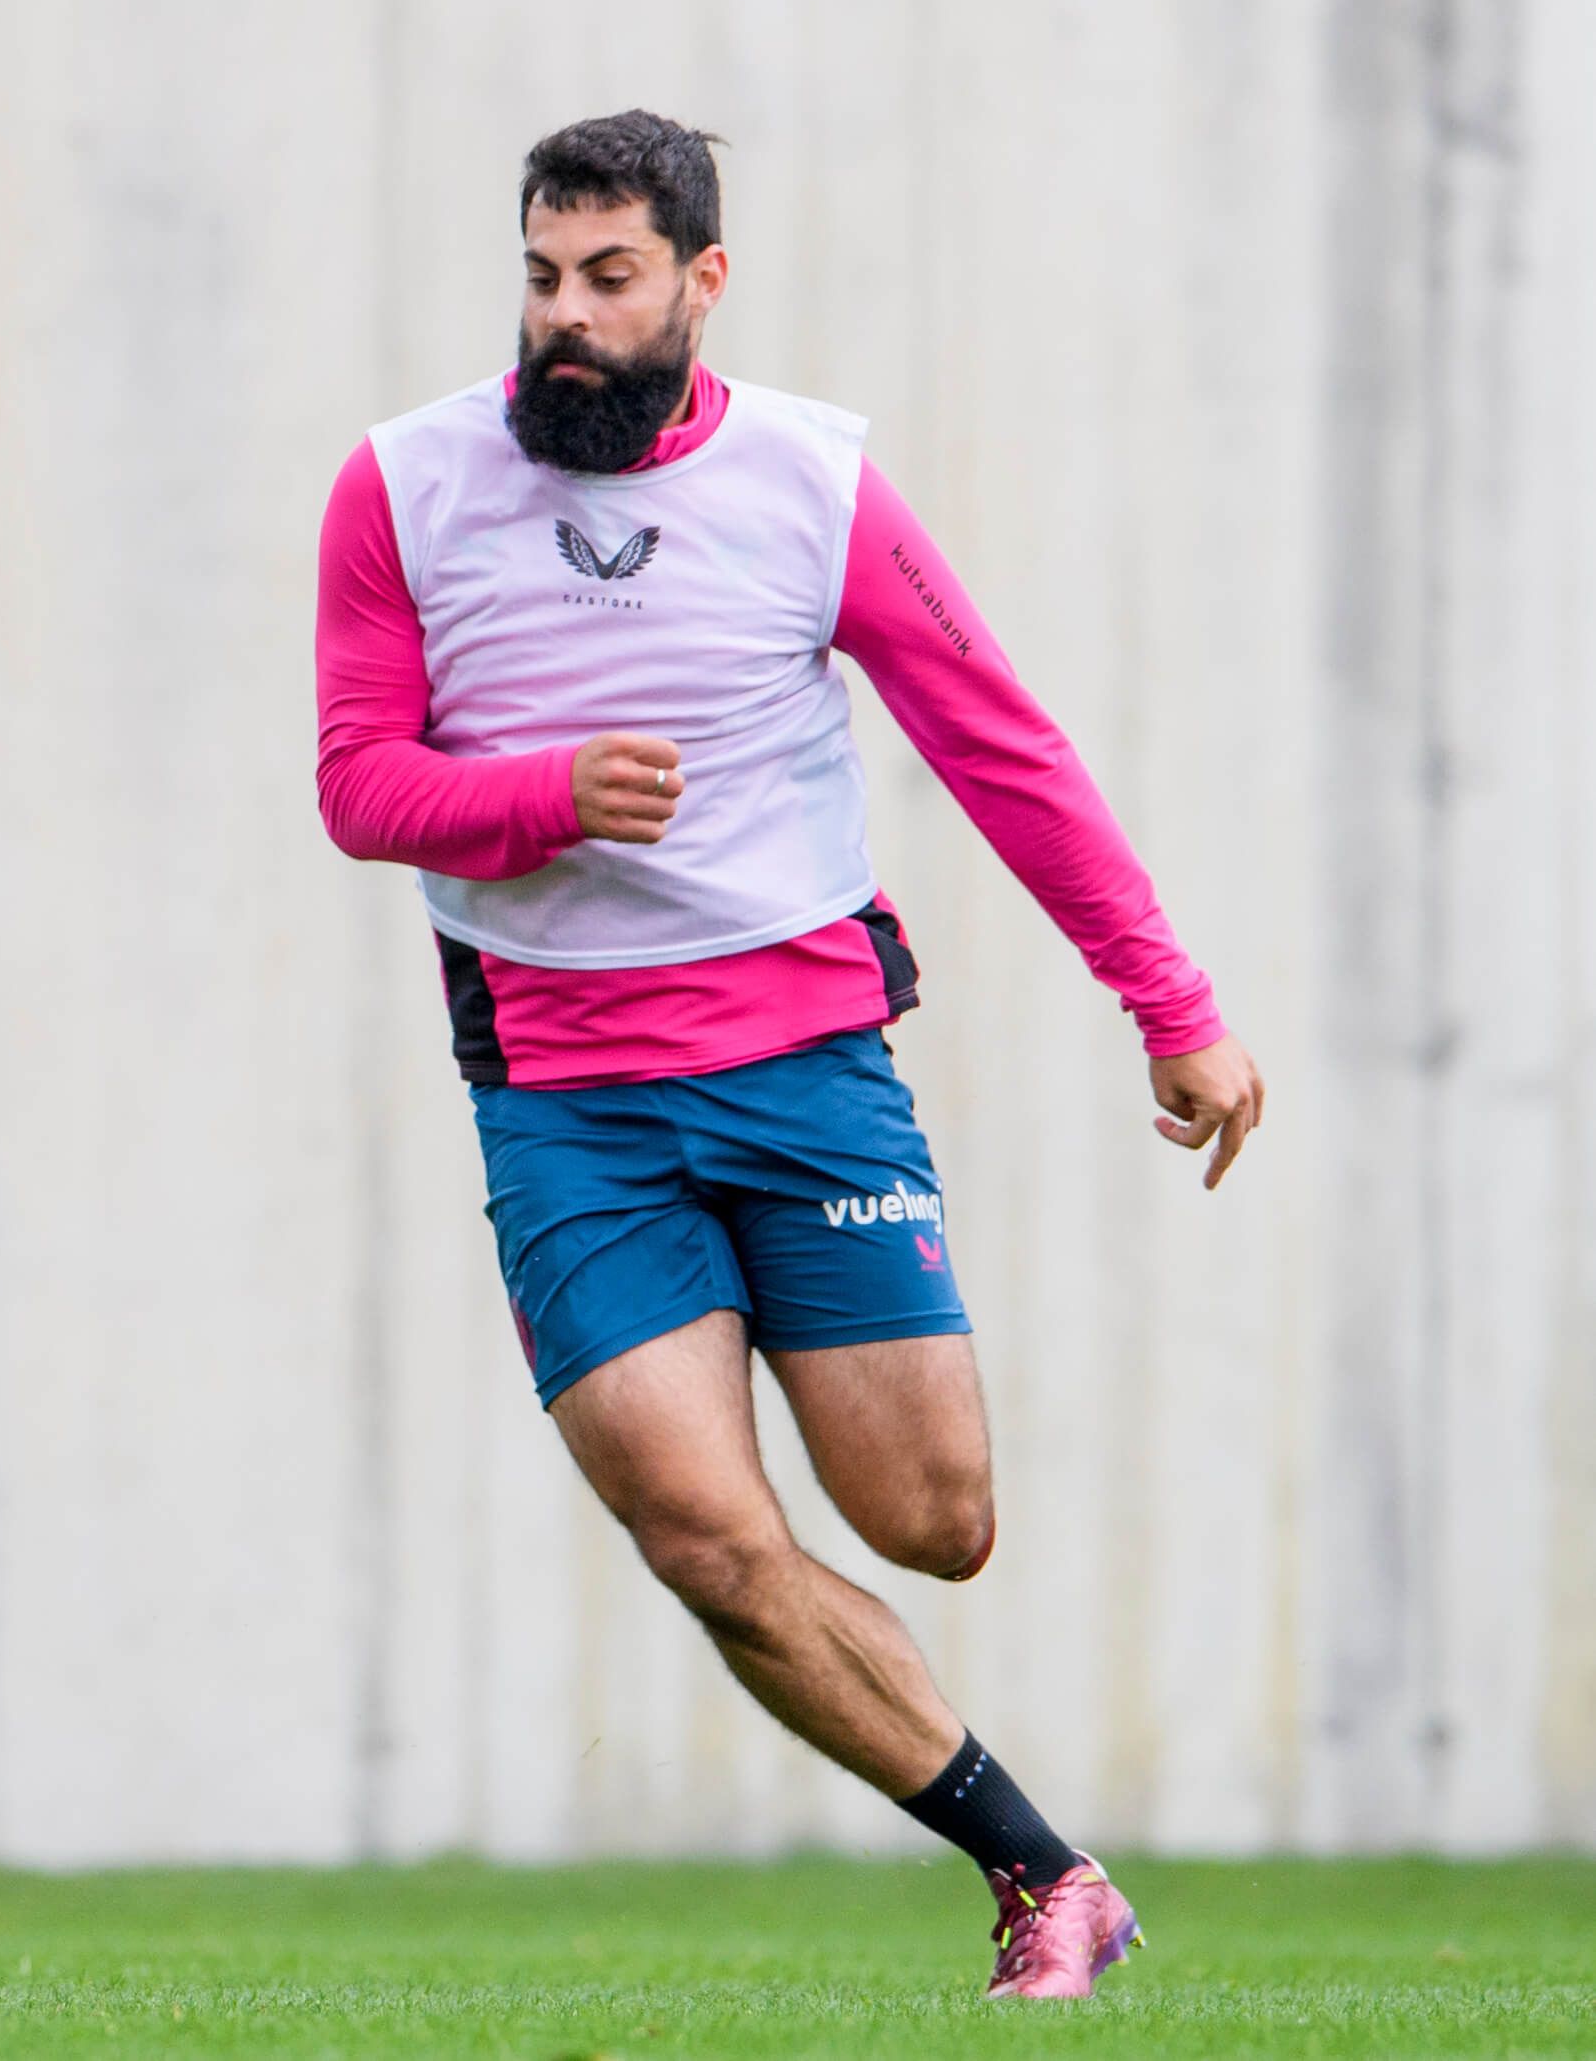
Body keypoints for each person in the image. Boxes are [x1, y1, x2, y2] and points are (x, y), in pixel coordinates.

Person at [312, 111, 1265, 2000]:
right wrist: (538, 798)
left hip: (806, 1062)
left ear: (699, 282)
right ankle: (1044, 1876)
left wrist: (1174, 1004)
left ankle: (1042, 1861)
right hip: (564, 1102)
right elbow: (358, 786)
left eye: (609, 279)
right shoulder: (400, 486)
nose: (564, 319)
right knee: (701, 1526)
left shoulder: (817, 485)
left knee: (934, 1520)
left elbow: (1005, 749)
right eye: (539, 277)